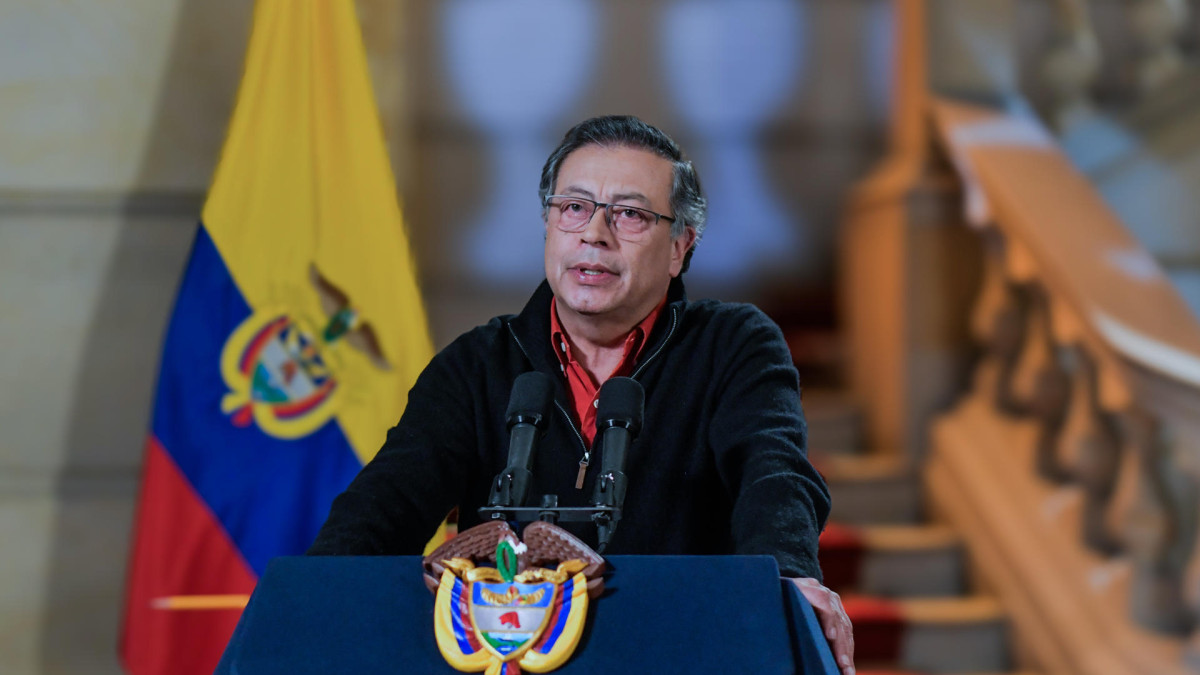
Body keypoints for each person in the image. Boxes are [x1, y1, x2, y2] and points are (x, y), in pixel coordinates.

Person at [308, 115, 854, 674]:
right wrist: (311, 599)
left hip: (678, 650)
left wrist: (787, 575)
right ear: (549, 226)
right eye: (574, 207)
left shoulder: (733, 345)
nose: (595, 233)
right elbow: (384, 504)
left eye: (630, 214)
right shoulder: (476, 363)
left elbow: (774, 474)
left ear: (679, 247)